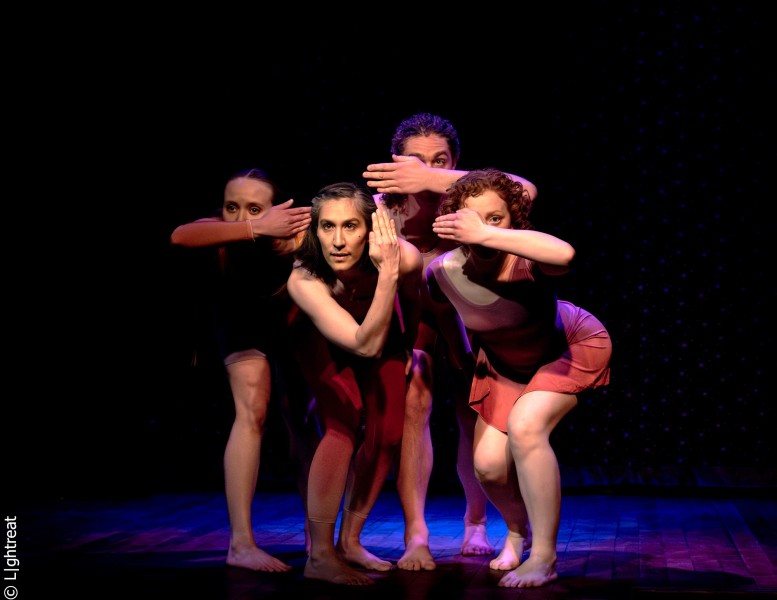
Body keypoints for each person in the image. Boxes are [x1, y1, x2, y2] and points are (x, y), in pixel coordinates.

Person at [362, 112, 539, 570]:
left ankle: (475, 521)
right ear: (395, 160)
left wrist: (435, 176)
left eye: (440, 160)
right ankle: (416, 534)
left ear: (454, 161)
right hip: (415, 306)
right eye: (415, 162)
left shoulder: (465, 196)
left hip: (464, 302)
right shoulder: (383, 203)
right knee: (414, 402)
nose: (426, 171)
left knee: (471, 410)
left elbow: (523, 190)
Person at [427, 168, 612, 588]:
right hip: (505, 366)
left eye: (496, 218)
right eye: (471, 218)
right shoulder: (440, 272)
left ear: (514, 222)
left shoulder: (527, 258)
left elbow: (564, 254)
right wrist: (461, 356)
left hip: (568, 347)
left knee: (527, 427)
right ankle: (517, 532)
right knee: (488, 467)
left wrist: (485, 234)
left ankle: (544, 557)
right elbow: (442, 311)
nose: (482, 228)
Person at [169, 168, 319, 572]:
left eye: (254, 208)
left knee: (302, 422)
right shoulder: (222, 232)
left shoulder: (297, 236)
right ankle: (241, 543)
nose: (240, 215)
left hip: (293, 324)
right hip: (240, 321)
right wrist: (255, 225)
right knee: (251, 406)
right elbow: (181, 234)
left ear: (279, 208)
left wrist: (292, 237)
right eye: (232, 207)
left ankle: (317, 539)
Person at [287, 182, 423, 585]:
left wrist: (409, 349)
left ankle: (350, 541)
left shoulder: (408, 259)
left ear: (372, 228)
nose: (339, 241)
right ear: (315, 231)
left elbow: (411, 305)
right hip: (323, 341)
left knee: (388, 432)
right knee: (343, 424)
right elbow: (363, 345)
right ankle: (321, 556)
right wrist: (388, 275)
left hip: (382, 334)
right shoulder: (305, 277)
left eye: (350, 226)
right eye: (327, 227)